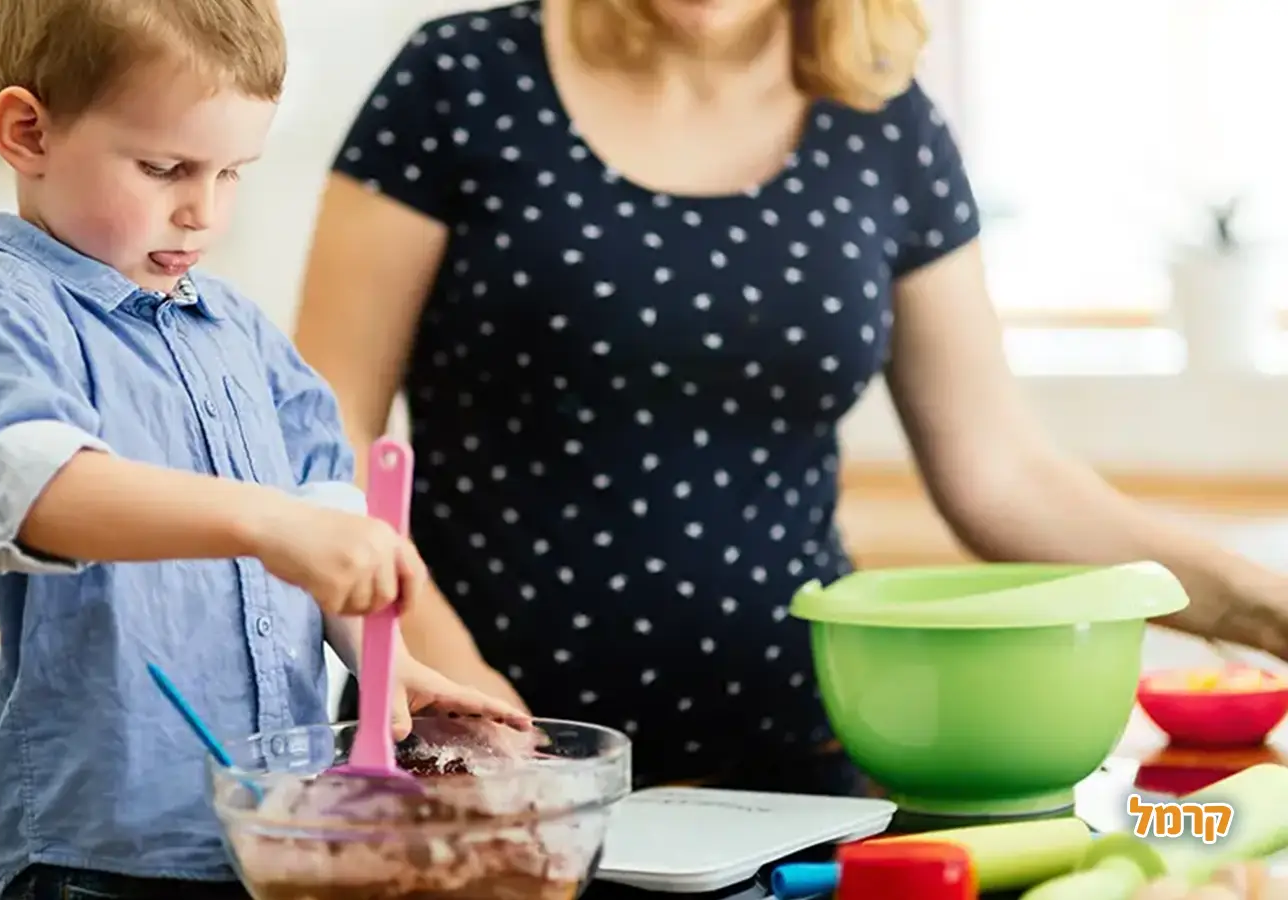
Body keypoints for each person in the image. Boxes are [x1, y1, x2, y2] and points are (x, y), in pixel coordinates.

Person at [292, 0, 1288, 794]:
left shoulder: (886, 120)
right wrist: (454, 693)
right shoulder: (458, 78)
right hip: (473, 764)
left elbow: (1003, 475)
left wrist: (1265, 609)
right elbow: (318, 437)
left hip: (798, 768)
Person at [0, 1, 526, 897]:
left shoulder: (235, 327)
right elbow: (38, 492)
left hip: (269, 830)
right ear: (28, 132)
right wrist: (265, 522)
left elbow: (325, 507)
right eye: (165, 167)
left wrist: (378, 654)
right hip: (106, 849)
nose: (203, 211)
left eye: (232, 173)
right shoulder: (8, 313)